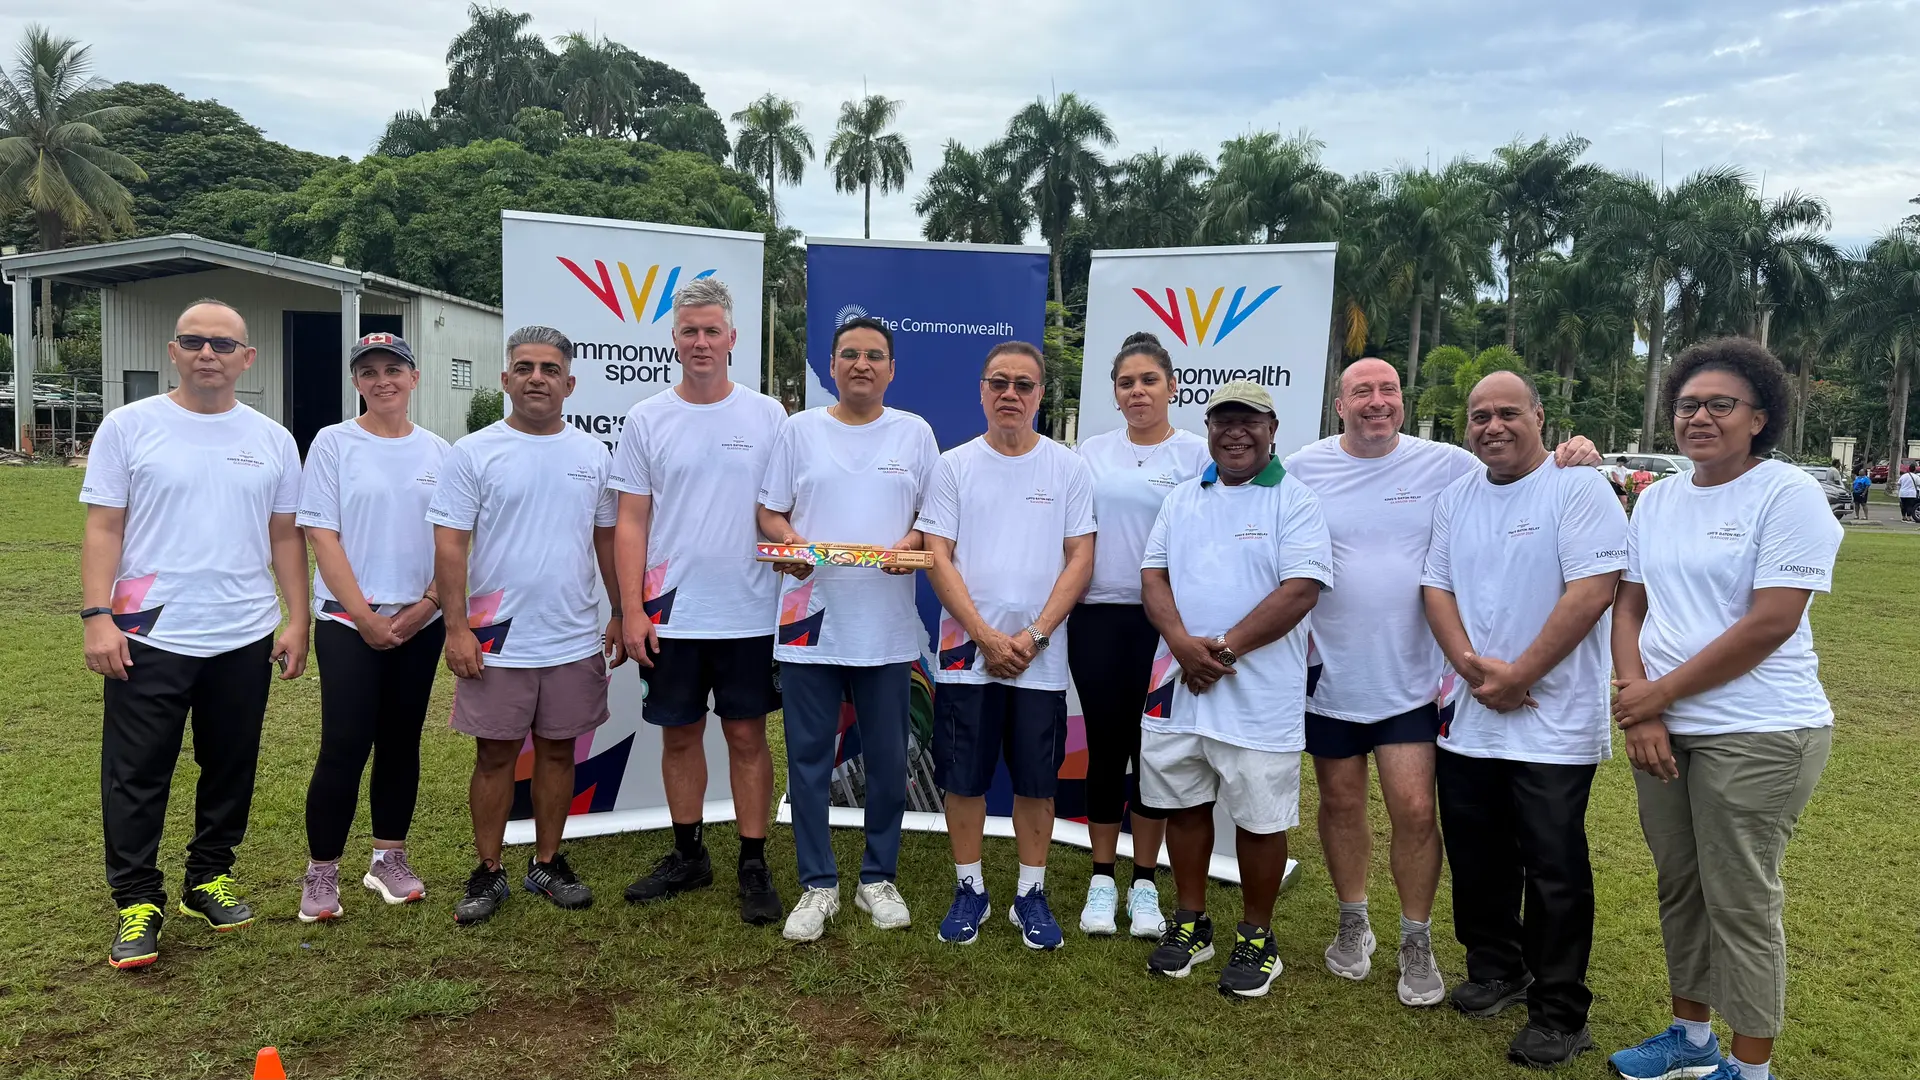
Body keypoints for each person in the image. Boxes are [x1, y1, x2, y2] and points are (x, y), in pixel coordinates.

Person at [1285, 357, 1598, 1007]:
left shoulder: (1447, 462)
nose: (1377, 401)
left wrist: (1579, 453)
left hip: (1417, 679)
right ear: (1338, 404)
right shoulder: (1303, 465)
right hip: (1329, 675)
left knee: (1417, 811)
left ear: (1402, 400)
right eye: (1361, 392)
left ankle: (1416, 938)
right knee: (1340, 806)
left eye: (1388, 390)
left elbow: (1521, 469)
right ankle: (1353, 923)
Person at [1607, 339, 1842, 1080]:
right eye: (1686, 405)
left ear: (1758, 418)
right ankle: (1691, 1037)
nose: (1699, 417)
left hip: (1761, 729)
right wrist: (1640, 708)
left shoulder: (1787, 494)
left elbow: (1770, 622)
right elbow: (1629, 605)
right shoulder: (1659, 497)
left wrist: (1660, 695)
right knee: (1680, 883)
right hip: (1667, 728)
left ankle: (1751, 1068)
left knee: (1739, 897)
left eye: (1719, 405)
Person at [81, 299, 309, 969]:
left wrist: (297, 619)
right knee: (137, 772)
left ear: (247, 358)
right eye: (194, 341)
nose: (208, 352)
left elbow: (285, 536)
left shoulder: (271, 437)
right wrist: (98, 617)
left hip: (242, 631)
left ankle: (208, 877)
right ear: (173, 352)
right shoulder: (130, 426)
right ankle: (136, 901)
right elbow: (104, 527)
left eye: (223, 343)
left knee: (230, 764)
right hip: (147, 631)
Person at [1419, 371, 1627, 1068]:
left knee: (1553, 863)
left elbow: (1594, 590)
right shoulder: (1457, 496)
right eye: (1479, 415)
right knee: (1477, 854)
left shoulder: (1578, 487)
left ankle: (1561, 1012)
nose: (1493, 426)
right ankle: (1496, 969)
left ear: (1540, 417)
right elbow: (1436, 586)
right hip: (1471, 711)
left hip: (1552, 718)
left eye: (1509, 412)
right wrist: (1475, 670)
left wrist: (1521, 674)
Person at [1138, 380, 1332, 999]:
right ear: (1209, 428)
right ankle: (1191, 923)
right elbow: (1153, 576)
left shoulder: (1295, 501)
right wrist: (1182, 646)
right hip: (1179, 682)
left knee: (1259, 816)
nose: (1236, 433)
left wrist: (1221, 649)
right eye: (1224, 421)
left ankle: (1258, 937)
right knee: (1185, 805)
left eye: (1249, 421)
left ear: (1272, 430)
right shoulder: (1184, 498)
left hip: (1257, 693)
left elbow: (1301, 589)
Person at [430, 325, 626, 926]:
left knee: (559, 752)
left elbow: (606, 540)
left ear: (569, 383)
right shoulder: (473, 452)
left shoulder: (593, 454)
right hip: (497, 638)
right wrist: (456, 629)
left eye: (548, 369)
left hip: (571, 634)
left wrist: (620, 610)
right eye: (524, 367)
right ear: (506, 379)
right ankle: (489, 872)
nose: (536, 377)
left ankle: (547, 861)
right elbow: (450, 547)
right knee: (494, 756)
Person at [756, 316, 938, 941]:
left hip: (886, 626)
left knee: (888, 760)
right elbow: (769, 509)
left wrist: (909, 542)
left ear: (892, 368)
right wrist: (790, 541)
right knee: (809, 759)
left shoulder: (914, 433)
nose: (862, 364)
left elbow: (933, 518)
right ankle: (818, 884)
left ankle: (876, 878)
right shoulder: (798, 430)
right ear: (831, 365)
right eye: (850, 354)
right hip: (810, 618)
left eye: (875, 355)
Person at [613, 277, 788, 926]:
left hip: (749, 612)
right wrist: (632, 609)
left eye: (713, 330)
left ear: (733, 338)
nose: (702, 341)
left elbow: (783, 511)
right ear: (674, 340)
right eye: (690, 331)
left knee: (746, 735)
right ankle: (689, 854)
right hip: (671, 613)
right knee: (679, 736)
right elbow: (631, 520)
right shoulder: (647, 418)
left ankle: (752, 860)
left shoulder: (768, 416)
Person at [916, 340, 1095, 950]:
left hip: (1040, 660)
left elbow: (1081, 558)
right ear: (983, 391)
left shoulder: (1068, 468)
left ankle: (1029, 893)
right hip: (967, 653)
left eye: (1023, 384)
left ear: (1041, 394)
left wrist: (1034, 635)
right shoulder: (953, 466)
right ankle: (970, 887)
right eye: (999, 383)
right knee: (963, 780)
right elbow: (935, 555)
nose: (1010, 394)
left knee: (1036, 782)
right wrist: (987, 637)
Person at [297, 333, 451, 921]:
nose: (382, 380)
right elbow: (321, 534)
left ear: (415, 378)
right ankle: (322, 872)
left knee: (400, 741)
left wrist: (427, 606)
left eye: (394, 369)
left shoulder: (440, 451)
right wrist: (364, 616)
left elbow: (453, 538)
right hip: (347, 621)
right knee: (344, 742)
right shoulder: (334, 444)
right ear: (356, 382)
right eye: (369, 372)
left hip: (420, 619)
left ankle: (388, 858)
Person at [1067, 331, 1209, 939]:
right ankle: (1103, 877)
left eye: (1149, 380)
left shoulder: (1198, 455)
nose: (1138, 391)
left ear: (1172, 387)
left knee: (1153, 751)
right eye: (1126, 382)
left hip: (1168, 625)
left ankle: (1146, 880)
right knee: (1106, 744)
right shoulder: (1089, 454)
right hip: (1099, 618)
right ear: (1115, 392)